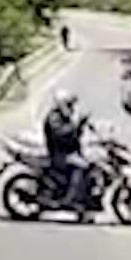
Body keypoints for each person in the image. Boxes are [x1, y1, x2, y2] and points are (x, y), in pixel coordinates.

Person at [42, 88, 93, 216]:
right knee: (82, 167)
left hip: (67, 152)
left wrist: (81, 126)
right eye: (69, 104)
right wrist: (76, 125)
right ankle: (73, 201)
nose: (72, 107)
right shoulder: (54, 117)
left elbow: (73, 135)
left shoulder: (63, 117)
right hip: (59, 154)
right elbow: (60, 134)